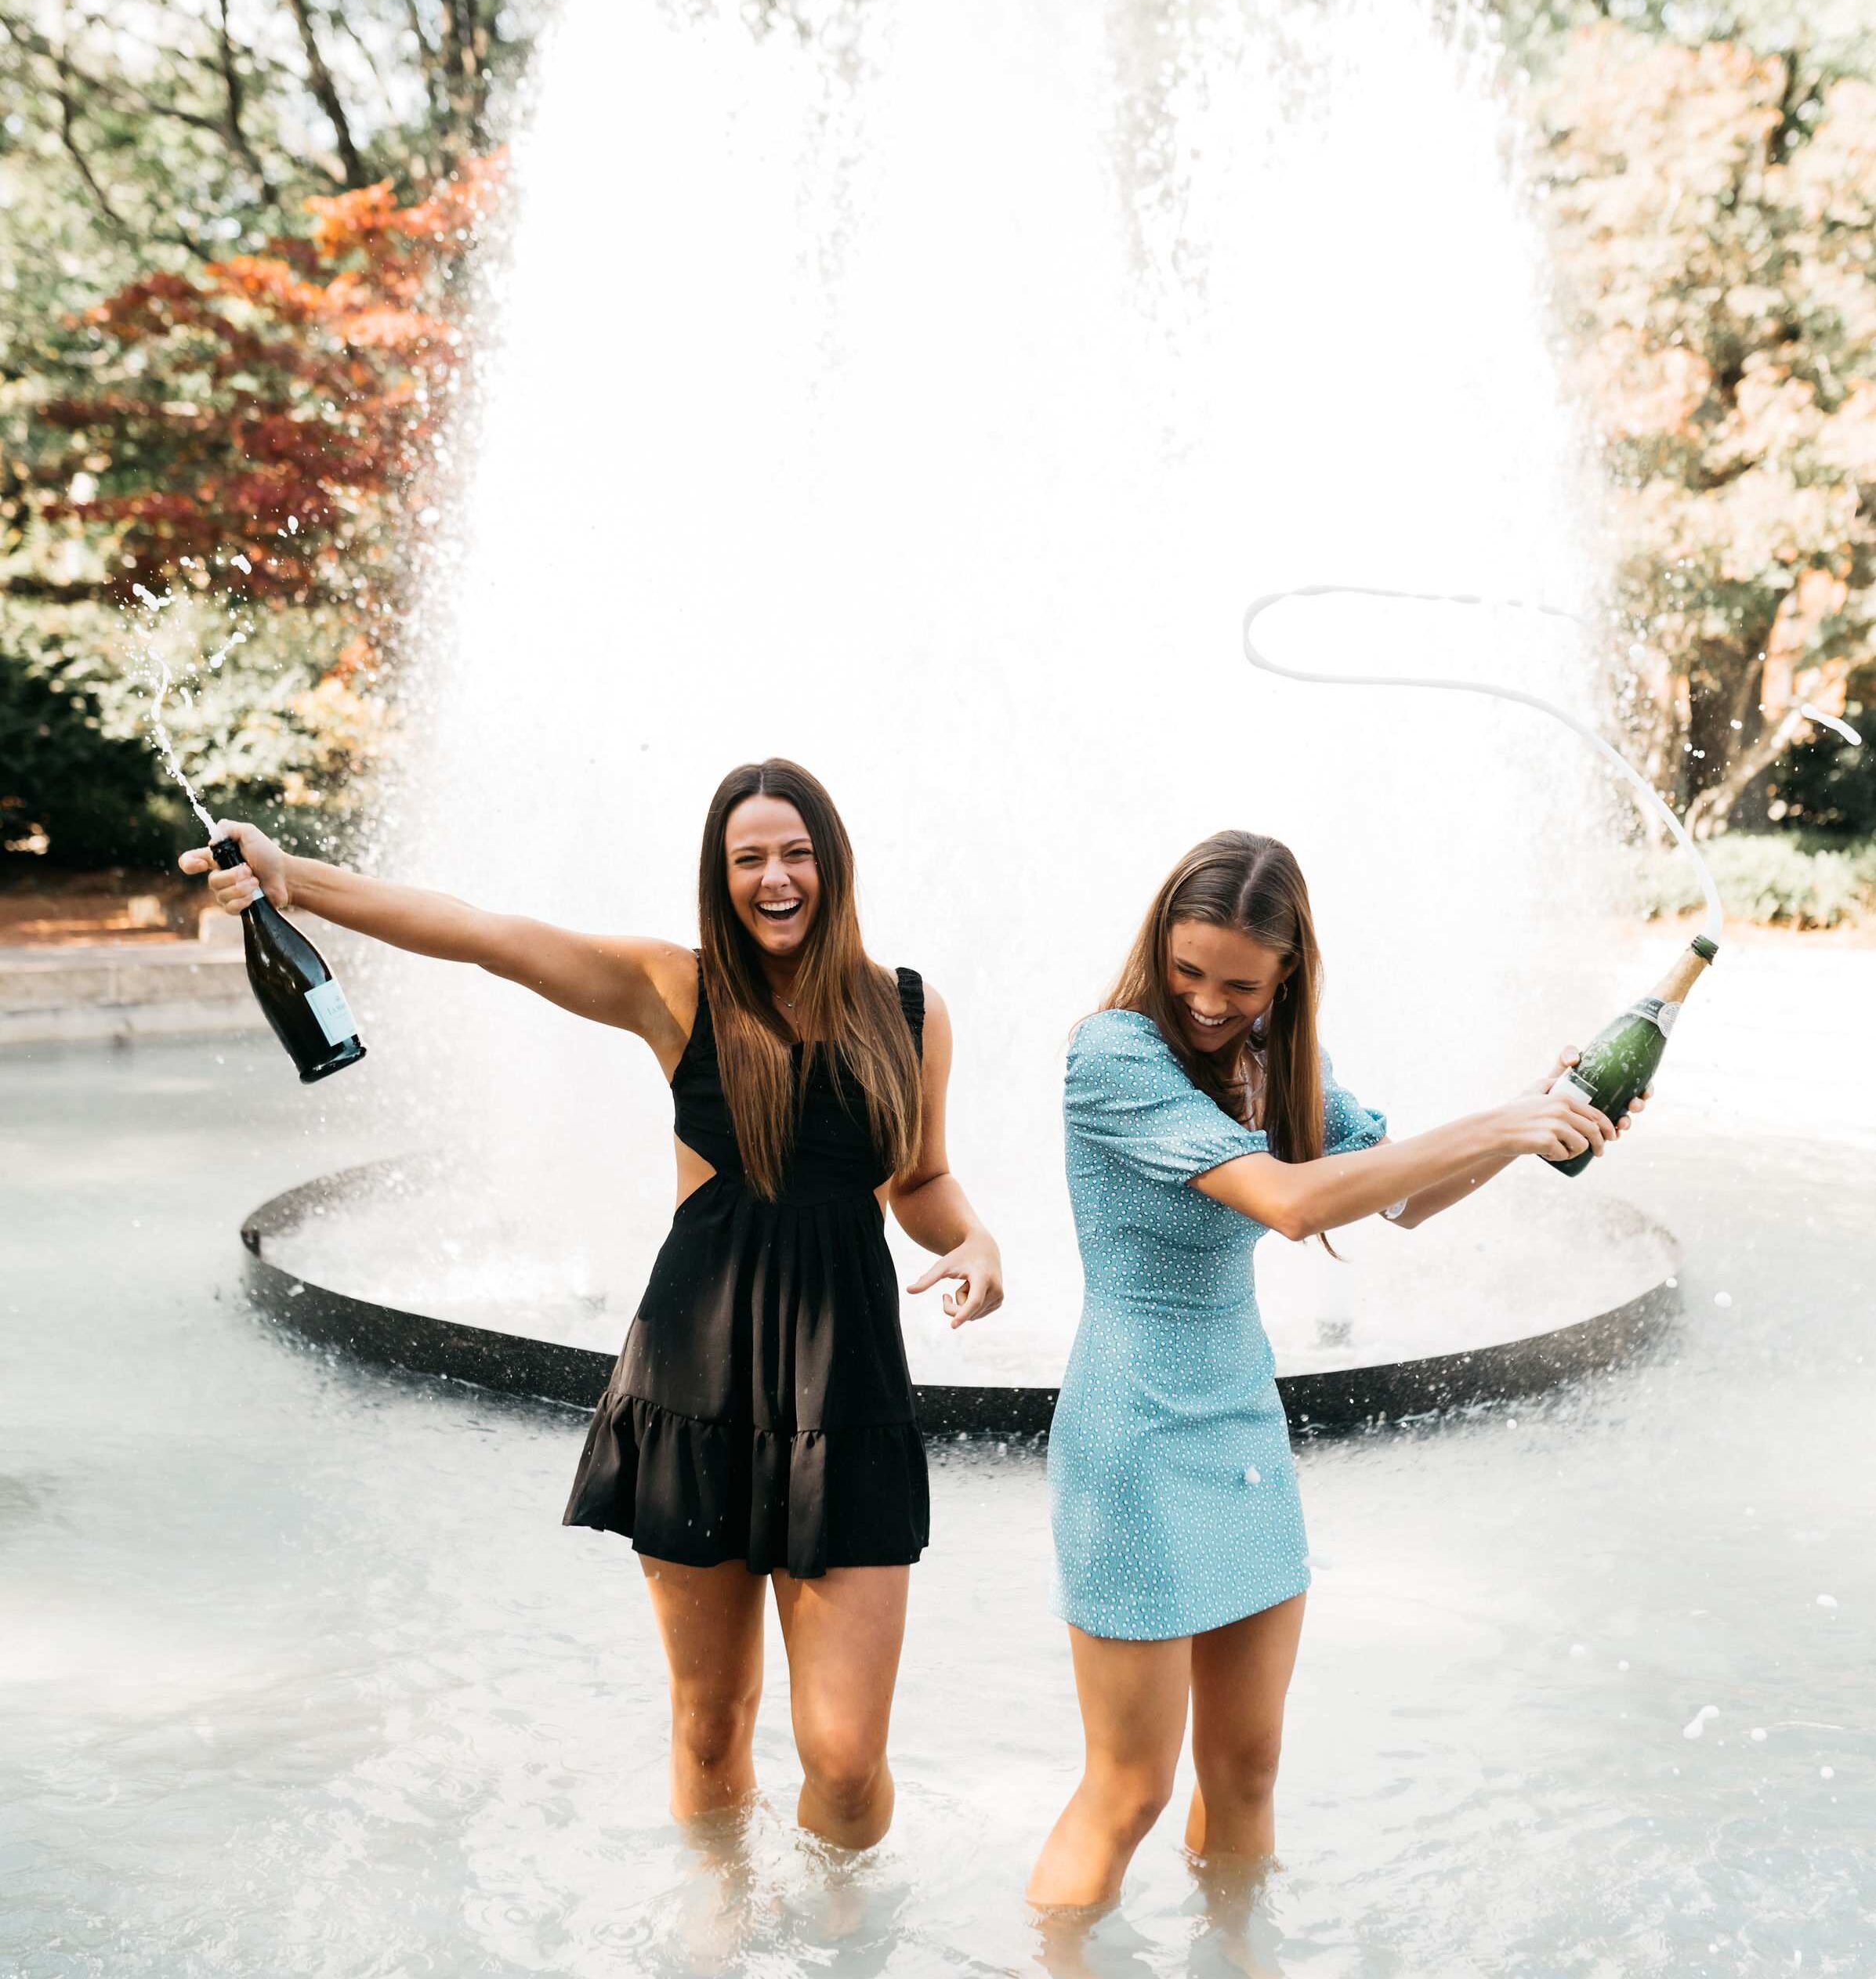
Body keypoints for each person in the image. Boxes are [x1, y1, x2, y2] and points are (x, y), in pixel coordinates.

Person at [184, 758, 1001, 1851]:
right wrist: (296, 880)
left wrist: (974, 1237)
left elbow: (920, 1181)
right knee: (711, 1726)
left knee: (845, 1760)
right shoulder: (678, 989)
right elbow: (484, 932)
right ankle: (720, 1923)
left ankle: (843, 1930)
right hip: (694, 1386)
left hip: (845, 1390)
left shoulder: (907, 1009)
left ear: (833, 862)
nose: (775, 877)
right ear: (719, 875)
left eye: (795, 852)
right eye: (748, 857)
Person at [1027, 830, 1642, 1908]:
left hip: (1239, 1431)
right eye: (1187, 972)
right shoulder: (1112, 1055)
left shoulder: (1277, 1061)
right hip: (1132, 1433)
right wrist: (1497, 1118)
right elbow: (1294, 1201)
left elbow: (1399, 1195)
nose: (1209, 1003)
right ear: (1156, 950)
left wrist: (1527, 1126)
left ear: (1285, 975)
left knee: (1249, 1772)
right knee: (1131, 1789)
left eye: (1239, 983)